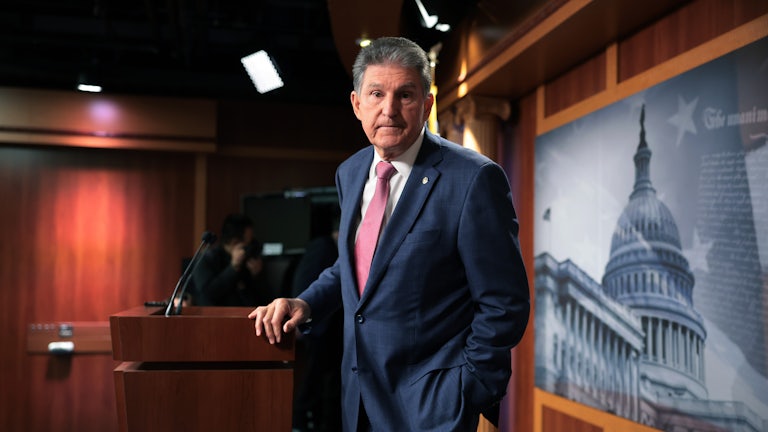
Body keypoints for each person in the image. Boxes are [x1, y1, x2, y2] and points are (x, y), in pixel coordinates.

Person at [249, 36, 530, 432]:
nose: (389, 110)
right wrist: (305, 303)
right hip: (359, 401)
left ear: (428, 104)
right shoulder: (350, 173)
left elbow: (505, 303)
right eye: (377, 94)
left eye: (406, 95)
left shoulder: (473, 179)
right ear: (356, 103)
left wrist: (471, 392)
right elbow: (358, 266)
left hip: (439, 410)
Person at [191, 213, 272, 306]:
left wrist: (258, 276)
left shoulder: (250, 258)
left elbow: (266, 299)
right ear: (235, 241)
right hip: (216, 315)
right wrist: (233, 267)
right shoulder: (207, 259)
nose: (250, 244)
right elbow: (208, 294)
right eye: (247, 241)